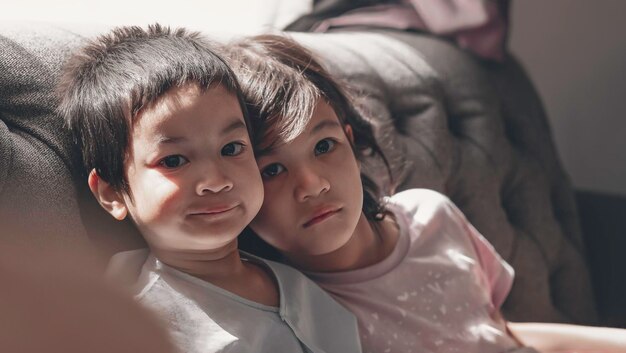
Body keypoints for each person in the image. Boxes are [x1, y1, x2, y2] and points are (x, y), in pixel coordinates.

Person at [227, 34, 626, 353]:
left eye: (323, 146)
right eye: (272, 170)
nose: (312, 184)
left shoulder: (431, 215)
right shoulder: (290, 309)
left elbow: (501, 336)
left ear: (349, 140)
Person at [57, 25, 362, 353]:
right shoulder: (135, 322)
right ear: (112, 193)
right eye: (174, 161)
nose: (216, 180)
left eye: (231, 149)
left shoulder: (300, 286)